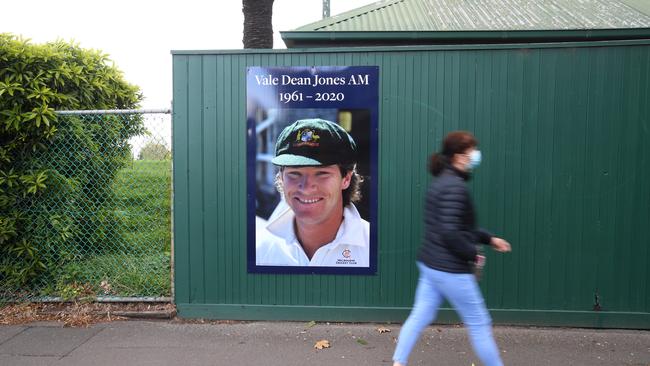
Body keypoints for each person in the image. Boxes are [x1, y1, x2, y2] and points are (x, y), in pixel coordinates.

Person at [392, 131, 511, 366]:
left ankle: (398, 363)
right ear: (459, 156)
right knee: (479, 323)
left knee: (420, 316)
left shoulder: (441, 183)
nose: (475, 155)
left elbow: (459, 226)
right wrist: (473, 254)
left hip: (431, 265)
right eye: (471, 151)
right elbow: (450, 232)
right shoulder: (454, 187)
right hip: (450, 269)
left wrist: (489, 239)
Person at [256, 118, 369, 267]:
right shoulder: (259, 248)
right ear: (281, 178)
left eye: (322, 173)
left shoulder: (375, 248)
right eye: (295, 173)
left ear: (346, 179)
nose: (306, 187)